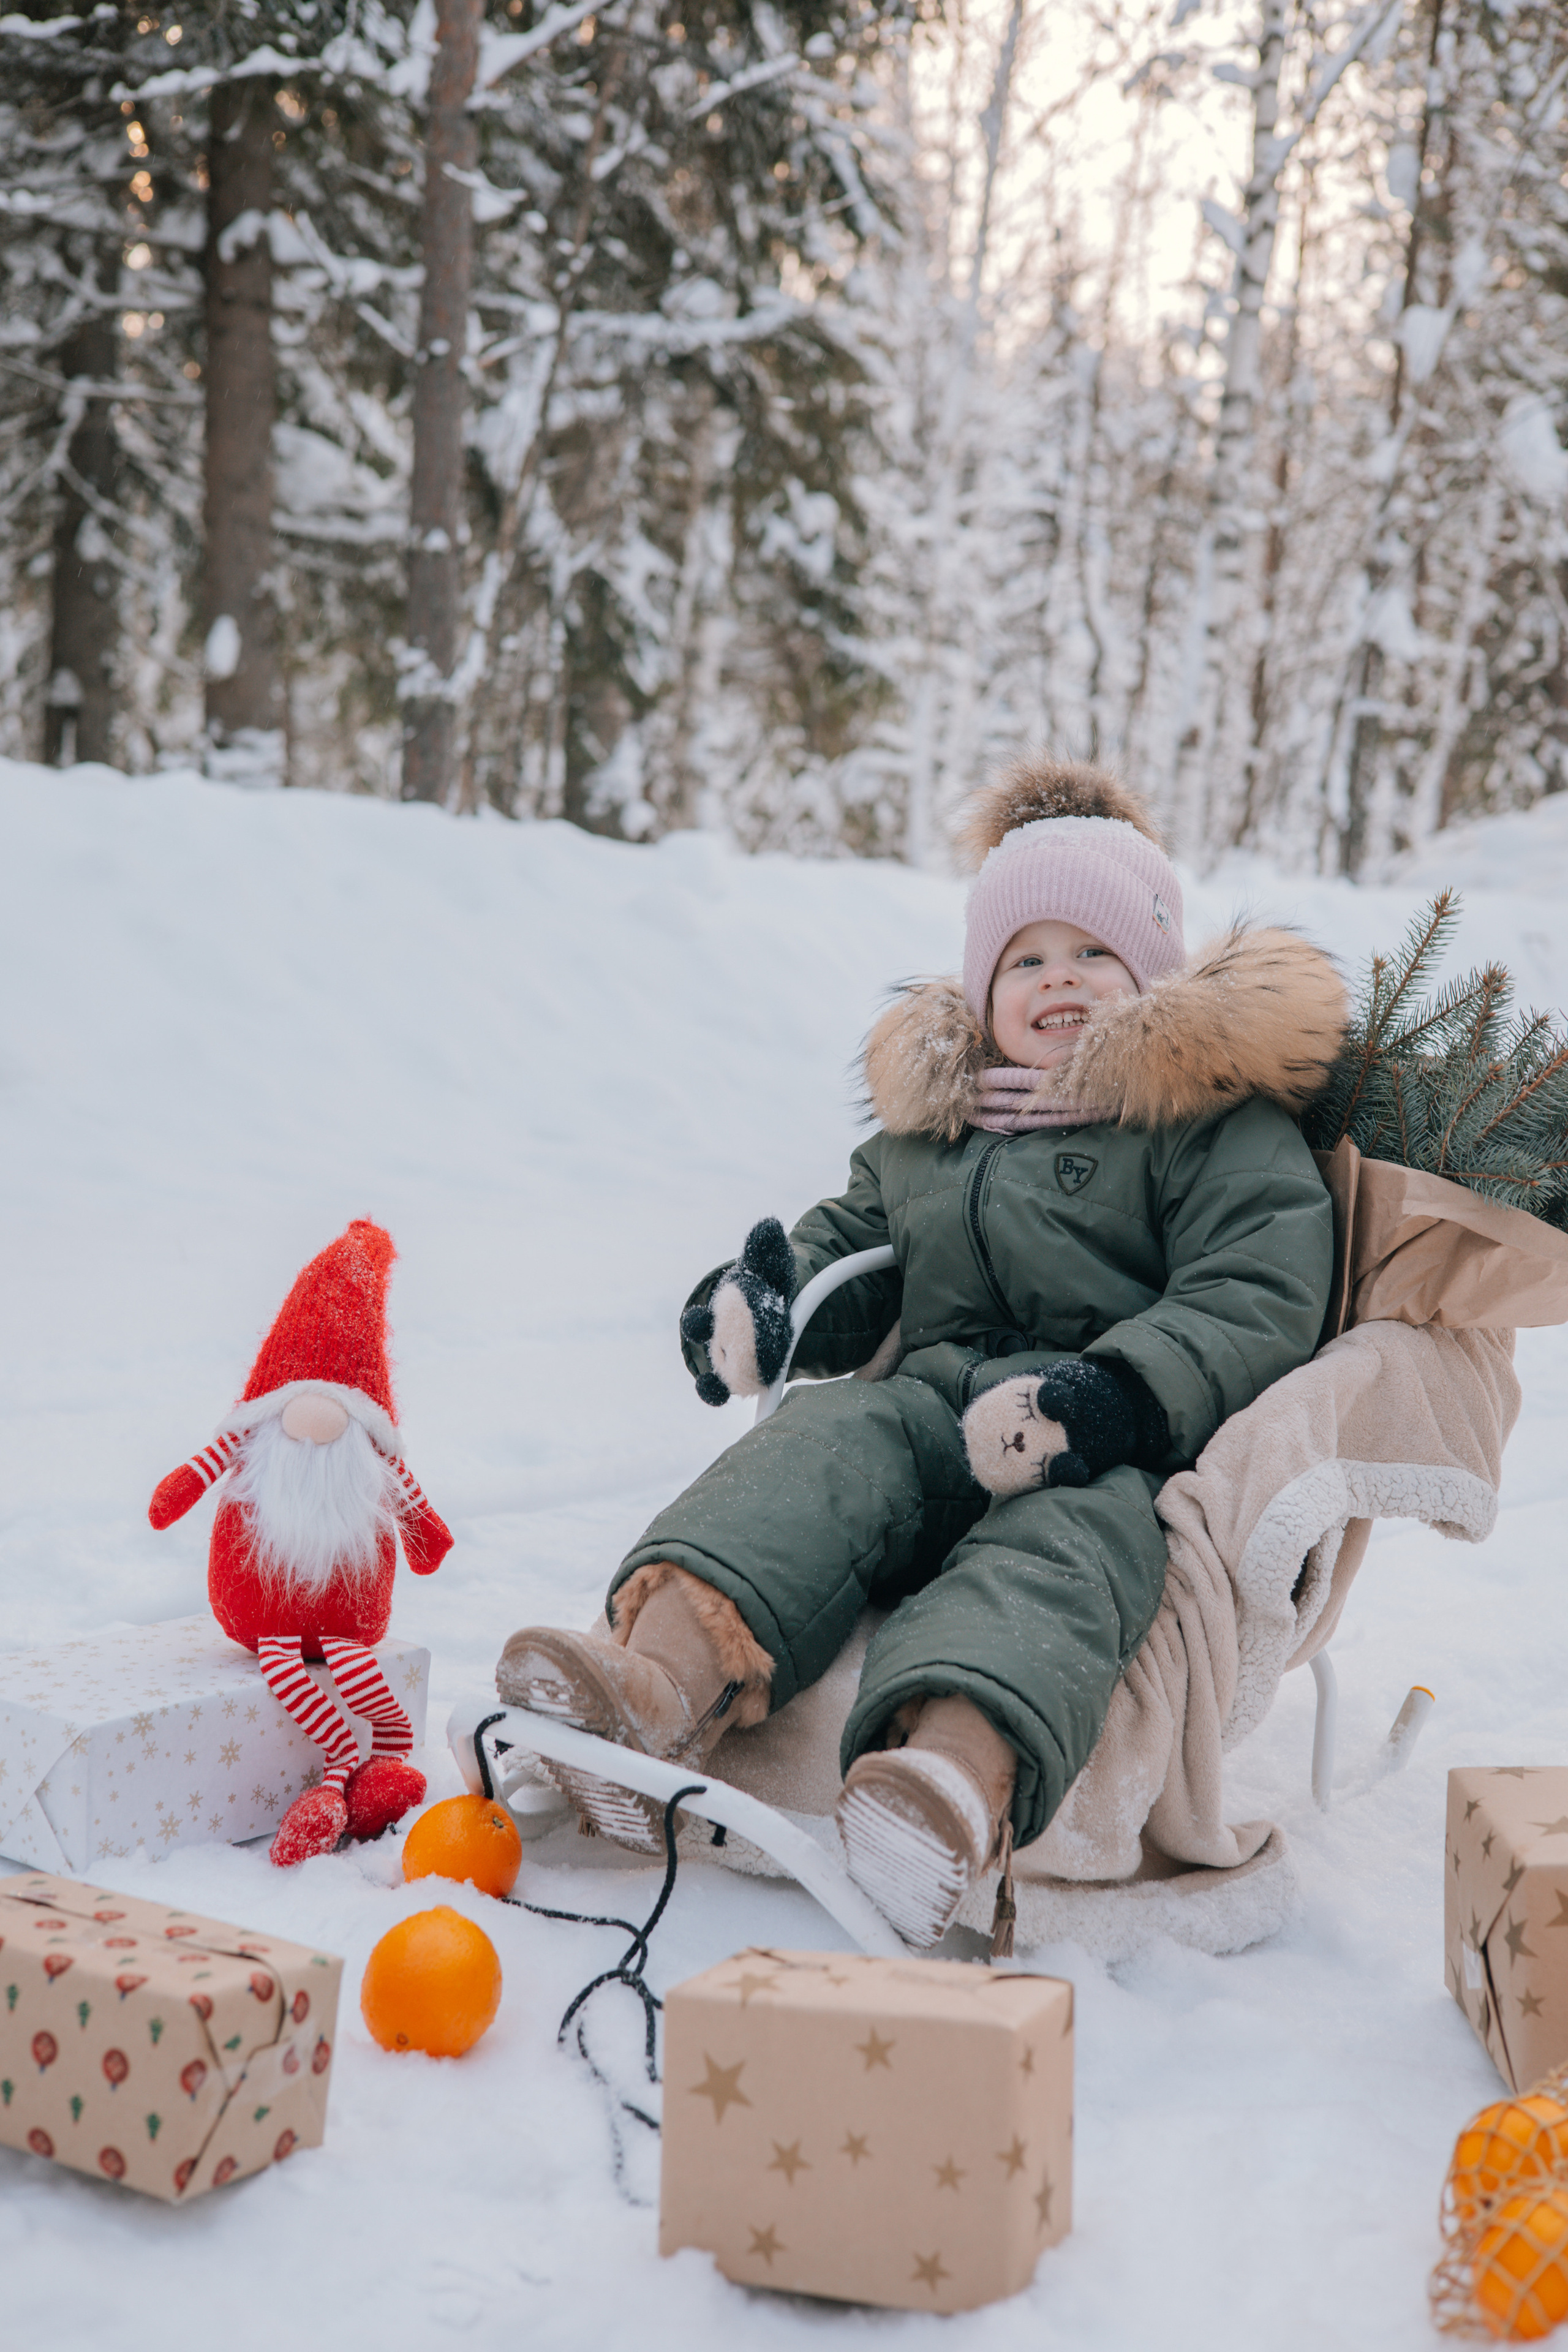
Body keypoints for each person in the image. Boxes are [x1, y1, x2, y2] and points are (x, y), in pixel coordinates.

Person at [497, 760, 1346, 1945]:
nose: (1060, 979)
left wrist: (1113, 1396)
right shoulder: (935, 1133)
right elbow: (854, 1245)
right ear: (982, 986)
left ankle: (948, 1781)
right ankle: (658, 1683)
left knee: (1060, 1556)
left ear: (1153, 974)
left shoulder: (1204, 1124)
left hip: (1098, 1442)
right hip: (931, 1408)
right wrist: (766, 1303)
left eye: (1093, 953)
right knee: (824, 1440)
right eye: (1026, 957)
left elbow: (1256, 1287)